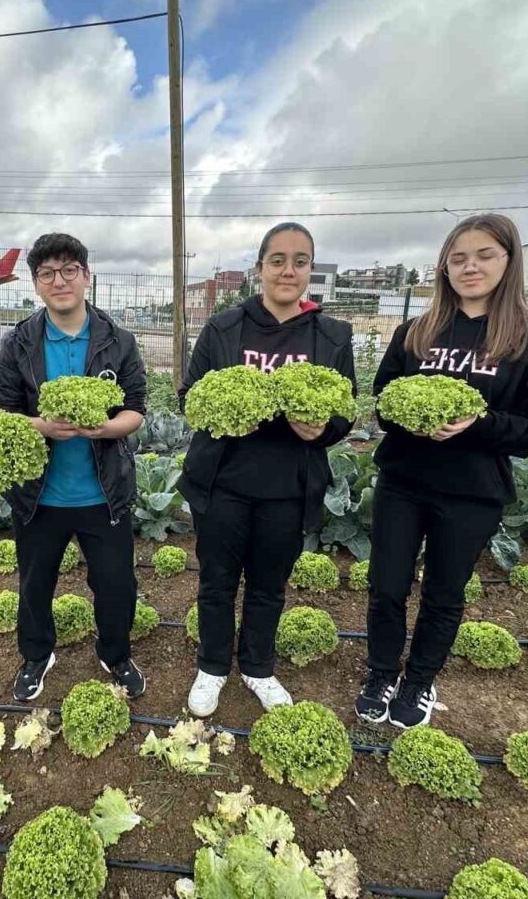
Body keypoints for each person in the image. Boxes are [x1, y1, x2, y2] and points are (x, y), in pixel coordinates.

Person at [355, 213, 528, 729]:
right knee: (386, 585)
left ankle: (419, 679)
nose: (470, 267)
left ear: (508, 261)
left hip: (471, 491)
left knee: (445, 593)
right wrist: (409, 419)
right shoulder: (415, 331)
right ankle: (381, 671)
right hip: (404, 480)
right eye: (459, 257)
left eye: (485, 255)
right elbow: (383, 404)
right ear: (444, 266)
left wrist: (478, 423)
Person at [178, 221, 356, 717]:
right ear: (260, 269)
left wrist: (319, 429)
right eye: (277, 260)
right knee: (216, 581)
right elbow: (190, 396)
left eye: (300, 261)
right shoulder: (224, 328)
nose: (288, 270)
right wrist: (223, 413)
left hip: (288, 488)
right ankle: (212, 666)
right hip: (223, 483)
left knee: (268, 585)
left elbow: (345, 410)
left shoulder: (332, 335)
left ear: (309, 271)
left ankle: (257, 667)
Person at [0, 232, 148, 702]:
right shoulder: (18, 342)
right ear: (36, 283)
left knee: (116, 584)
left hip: (104, 492)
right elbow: (4, 412)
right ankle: (37, 655)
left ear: (86, 276)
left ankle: (115, 655)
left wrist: (105, 428)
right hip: (39, 495)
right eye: (47, 273)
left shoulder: (117, 340)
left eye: (69, 270)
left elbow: (136, 408)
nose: (59, 280)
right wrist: (40, 425)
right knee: (35, 584)